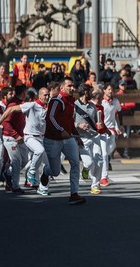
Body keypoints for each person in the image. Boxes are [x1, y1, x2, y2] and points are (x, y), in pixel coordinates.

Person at [40, 77, 86, 205]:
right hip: (53, 140)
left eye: (73, 86)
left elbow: (70, 121)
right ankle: (46, 172)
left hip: (68, 139)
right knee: (55, 171)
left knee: (75, 163)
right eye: (69, 86)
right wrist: (61, 130)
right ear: (62, 88)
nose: (72, 88)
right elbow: (50, 117)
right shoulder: (57, 100)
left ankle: (74, 194)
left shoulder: (71, 101)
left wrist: (77, 137)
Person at [74, 84, 104, 195]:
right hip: (82, 138)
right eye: (91, 91)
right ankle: (86, 169)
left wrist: (99, 125)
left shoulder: (93, 106)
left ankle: (95, 185)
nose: (92, 93)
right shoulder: (74, 106)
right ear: (86, 93)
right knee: (89, 163)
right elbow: (69, 122)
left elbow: (96, 122)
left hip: (94, 136)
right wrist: (79, 125)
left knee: (99, 160)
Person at [0, 85, 29, 194]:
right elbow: (6, 122)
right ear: (23, 93)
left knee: (25, 160)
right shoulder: (13, 104)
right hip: (10, 138)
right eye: (26, 92)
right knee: (16, 161)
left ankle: (8, 173)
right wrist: (16, 135)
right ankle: (15, 186)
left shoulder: (21, 103)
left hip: (20, 138)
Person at [100, 83, 122, 186]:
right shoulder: (100, 102)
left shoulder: (116, 101)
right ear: (104, 90)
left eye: (112, 90)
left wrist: (118, 126)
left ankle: (98, 162)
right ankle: (104, 177)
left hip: (111, 130)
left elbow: (117, 114)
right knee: (104, 154)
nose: (110, 91)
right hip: (101, 131)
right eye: (108, 89)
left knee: (110, 149)